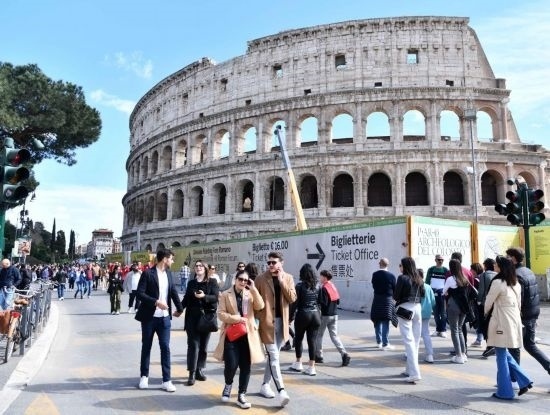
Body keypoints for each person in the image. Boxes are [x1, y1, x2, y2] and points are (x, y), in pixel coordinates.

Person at [214, 269, 265, 409]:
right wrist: (236, 318)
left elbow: (260, 306)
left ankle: (242, 394)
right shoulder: (226, 294)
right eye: (240, 279)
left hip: (248, 335)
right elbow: (221, 314)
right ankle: (228, 385)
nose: (243, 282)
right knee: (231, 365)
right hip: (231, 334)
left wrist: (254, 289)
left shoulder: (250, 293)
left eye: (245, 280)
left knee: (246, 366)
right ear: (235, 280)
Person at [485, 255, 532, 400]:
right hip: (513, 320)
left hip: (501, 321)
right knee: (503, 352)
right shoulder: (515, 283)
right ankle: (524, 381)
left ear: (501, 267)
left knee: (501, 356)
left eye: (496, 264)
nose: (494, 266)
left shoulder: (498, 282)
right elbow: (519, 304)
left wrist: (485, 316)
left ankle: (505, 392)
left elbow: (488, 303)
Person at [135, 248, 183, 392]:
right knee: (146, 347)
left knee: (165, 348)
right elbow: (140, 294)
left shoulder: (168, 274)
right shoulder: (147, 273)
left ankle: (166, 380)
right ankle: (144, 377)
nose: (172, 261)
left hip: (164, 319)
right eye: (171, 259)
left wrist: (180, 308)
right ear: (164, 259)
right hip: (149, 318)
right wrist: (156, 302)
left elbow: (173, 291)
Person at [255, 251, 296, 407]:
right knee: (274, 355)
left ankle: (265, 385)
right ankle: (281, 390)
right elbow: (253, 300)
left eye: (274, 262)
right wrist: (257, 319)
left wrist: (281, 281)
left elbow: (292, 298)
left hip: (282, 323)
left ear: (281, 263)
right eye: (269, 262)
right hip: (266, 323)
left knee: (274, 356)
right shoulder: (261, 279)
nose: (271, 265)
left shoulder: (288, 278)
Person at [506, 247, 550, 375]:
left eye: (508, 257)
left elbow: (518, 300)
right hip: (532, 314)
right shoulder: (528, 271)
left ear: (513, 259)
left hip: (522, 316)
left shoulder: (516, 275)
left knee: (514, 347)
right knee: (530, 345)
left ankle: (514, 377)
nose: (506, 259)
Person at [182, 259, 220, 386]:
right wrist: (179, 309)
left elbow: (215, 298)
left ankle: (199, 370)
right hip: (192, 318)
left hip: (206, 319)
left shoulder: (212, 282)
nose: (198, 268)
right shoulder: (191, 283)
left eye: (201, 266)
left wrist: (204, 297)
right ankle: (191, 373)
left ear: (205, 269)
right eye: (196, 266)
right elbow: (186, 299)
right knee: (193, 346)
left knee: (203, 347)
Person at [393, 256, 424, 384]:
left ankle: (415, 373)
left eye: (401, 265)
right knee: (415, 341)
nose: (399, 267)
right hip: (417, 308)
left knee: (408, 341)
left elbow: (396, 296)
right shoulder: (418, 278)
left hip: (405, 308)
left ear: (405, 266)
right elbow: (423, 294)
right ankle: (409, 369)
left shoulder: (402, 278)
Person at [288, 263, 321, 376]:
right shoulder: (318, 286)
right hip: (315, 315)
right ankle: (312, 367)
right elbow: (319, 302)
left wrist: (290, 317)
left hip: (303, 314)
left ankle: (298, 363)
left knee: (299, 339)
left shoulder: (299, 286)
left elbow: (294, 304)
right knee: (312, 341)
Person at [314, 269, 350, 366]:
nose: (320, 278)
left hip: (325, 315)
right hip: (334, 314)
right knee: (334, 336)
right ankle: (344, 354)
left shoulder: (324, 288)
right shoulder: (332, 286)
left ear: (325, 277)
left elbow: (323, 303)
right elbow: (337, 301)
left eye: (321, 276)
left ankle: (319, 356)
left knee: (319, 335)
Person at [443, 259, 469, 364]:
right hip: (464, 306)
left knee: (454, 330)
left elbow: (443, 291)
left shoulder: (450, 279)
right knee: (460, 329)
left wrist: (447, 293)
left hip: (453, 305)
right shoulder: (464, 278)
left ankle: (458, 355)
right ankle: (463, 354)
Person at [370, 257, 397, 350]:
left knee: (377, 320)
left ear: (379, 264)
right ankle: (385, 343)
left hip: (377, 299)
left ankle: (379, 342)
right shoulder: (391, 276)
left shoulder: (375, 275)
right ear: (388, 265)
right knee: (386, 320)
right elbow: (394, 288)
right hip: (387, 300)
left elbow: (374, 286)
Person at [472, 258, 497, 348]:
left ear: (486, 266)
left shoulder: (484, 275)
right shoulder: (497, 274)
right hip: (495, 303)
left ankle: (488, 345)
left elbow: (481, 290)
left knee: (484, 324)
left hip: (484, 303)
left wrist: (478, 301)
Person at [425, 254, 449, 338]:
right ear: (435, 260)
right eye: (439, 259)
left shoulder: (445, 270)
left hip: (442, 294)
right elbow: (427, 282)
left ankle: (443, 330)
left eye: (442, 260)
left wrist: (446, 291)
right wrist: (428, 293)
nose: (440, 261)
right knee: (435, 313)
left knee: (443, 313)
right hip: (433, 293)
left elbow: (447, 282)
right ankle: (438, 330)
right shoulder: (431, 269)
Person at [418, 268, 435, 363]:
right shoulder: (428, 287)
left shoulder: (415, 286)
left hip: (416, 313)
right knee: (426, 334)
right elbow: (433, 301)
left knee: (414, 334)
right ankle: (430, 355)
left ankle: (410, 353)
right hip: (427, 313)